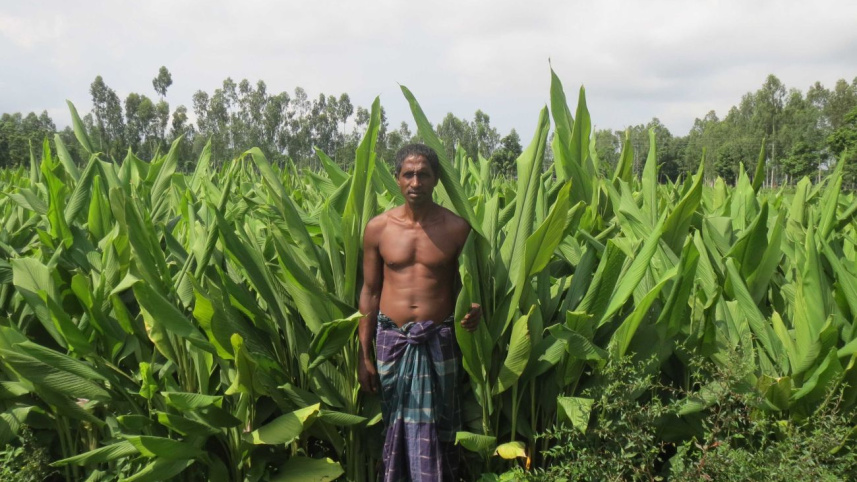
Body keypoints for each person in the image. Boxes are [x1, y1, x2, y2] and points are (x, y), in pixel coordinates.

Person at [358, 143, 481, 481]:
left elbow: (468, 288)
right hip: (392, 341)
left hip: (438, 340)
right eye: (408, 174)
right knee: (395, 426)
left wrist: (474, 309)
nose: (416, 182)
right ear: (397, 178)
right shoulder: (378, 228)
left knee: (439, 427)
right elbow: (369, 292)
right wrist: (363, 355)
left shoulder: (457, 228)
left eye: (423, 174)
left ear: (436, 178)